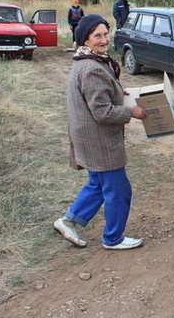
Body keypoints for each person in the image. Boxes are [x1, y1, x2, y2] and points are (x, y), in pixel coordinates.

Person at [53, 14, 148, 250]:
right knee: (118, 189)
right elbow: (102, 112)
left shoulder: (88, 60)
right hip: (99, 139)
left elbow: (100, 96)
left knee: (97, 184)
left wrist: (119, 94)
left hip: (88, 136)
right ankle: (113, 238)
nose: (104, 39)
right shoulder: (91, 68)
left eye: (106, 33)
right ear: (86, 39)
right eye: (97, 35)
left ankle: (68, 222)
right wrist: (131, 113)